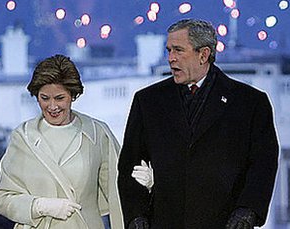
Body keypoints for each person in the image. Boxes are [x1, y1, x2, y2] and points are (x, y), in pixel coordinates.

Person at [118, 19, 279, 229]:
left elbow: (263, 164)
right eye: (168, 50)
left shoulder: (249, 103)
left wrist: (247, 210)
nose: (171, 58)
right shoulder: (148, 101)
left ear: (203, 55)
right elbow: (130, 165)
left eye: (178, 50)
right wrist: (135, 215)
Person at [0, 54, 124, 228]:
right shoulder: (23, 137)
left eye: (60, 98)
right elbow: (3, 197)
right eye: (45, 98)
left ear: (72, 95)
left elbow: (119, 193)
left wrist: (148, 184)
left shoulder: (97, 133)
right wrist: (39, 206)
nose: (52, 106)